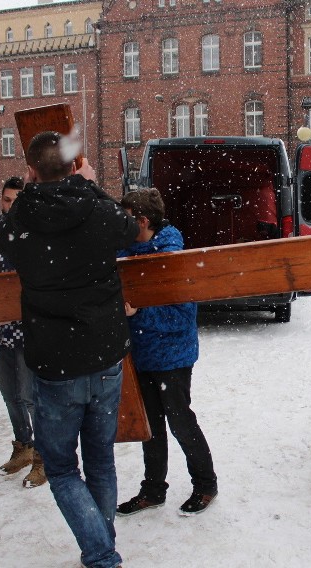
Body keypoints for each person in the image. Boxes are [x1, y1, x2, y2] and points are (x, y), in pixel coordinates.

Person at [0, 131, 139, 568]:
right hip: (104, 356)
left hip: (55, 364)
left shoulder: (21, 218)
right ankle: (103, 544)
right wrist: (88, 183)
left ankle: (101, 554)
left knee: (61, 469)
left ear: (31, 171)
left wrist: (35, 191)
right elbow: (131, 229)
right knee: (100, 460)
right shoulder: (95, 207)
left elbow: (7, 244)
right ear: (76, 166)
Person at [115, 188, 218, 517]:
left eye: (127, 218)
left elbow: (182, 316)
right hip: (141, 356)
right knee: (150, 426)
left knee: (180, 423)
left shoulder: (173, 257)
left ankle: (205, 484)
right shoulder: (125, 252)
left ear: (143, 221)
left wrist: (138, 315)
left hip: (173, 357)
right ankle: (153, 490)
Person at [0, 176, 45, 488]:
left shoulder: (37, 235)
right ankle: (23, 445)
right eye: (6, 200)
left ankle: (43, 458)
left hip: (28, 329)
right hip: (0, 329)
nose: (10, 206)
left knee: (30, 395)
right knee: (10, 394)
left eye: (16, 200)